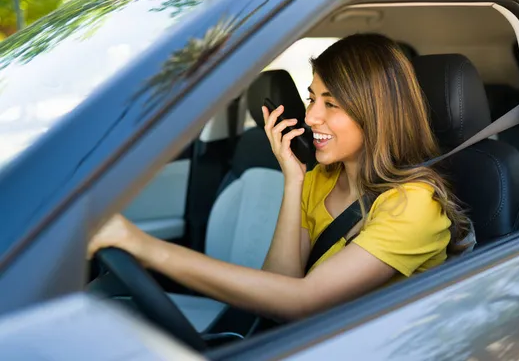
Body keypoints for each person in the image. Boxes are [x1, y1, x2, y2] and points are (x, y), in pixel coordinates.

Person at [88, 33, 472, 322]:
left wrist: (145, 247)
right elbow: (280, 281)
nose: (310, 117)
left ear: (377, 115)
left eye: (331, 104)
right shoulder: (320, 178)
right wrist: (294, 178)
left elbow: (302, 301)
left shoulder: (414, 205)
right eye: (311, 98)